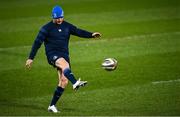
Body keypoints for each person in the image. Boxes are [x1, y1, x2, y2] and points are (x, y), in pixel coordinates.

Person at [25, 5, 101, 113]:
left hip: (65, 55)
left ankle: (51, 106)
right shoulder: (46, 28)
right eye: (57, 18)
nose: (59, 20)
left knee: (64, 81)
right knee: (65, 65)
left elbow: (78, 31)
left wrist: (92, 35)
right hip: (53, 55)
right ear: (53, 17)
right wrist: (30, 58)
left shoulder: (67, 26)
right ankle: (75, 82)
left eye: (61, 17)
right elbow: (37, 43)